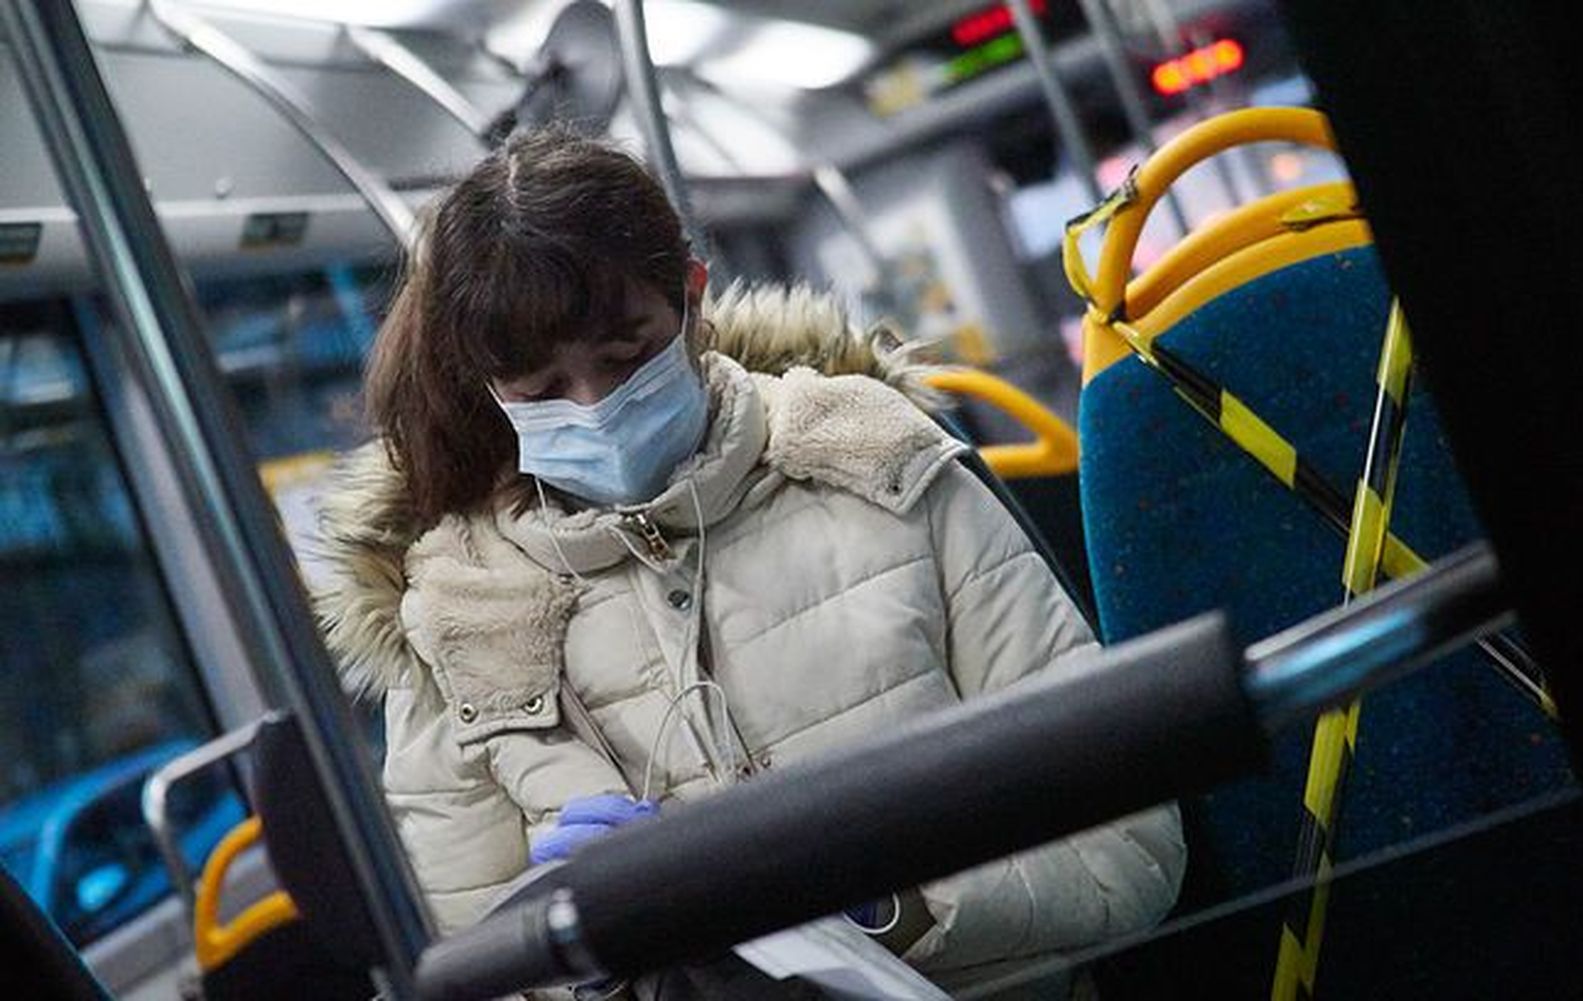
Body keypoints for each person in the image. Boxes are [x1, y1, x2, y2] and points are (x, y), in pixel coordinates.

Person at [314, 126, 1184, 990]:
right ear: (483, 383)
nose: (594, 407)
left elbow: (1129, 847)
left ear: (693, 297)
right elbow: (457, 978)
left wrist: (896, 904)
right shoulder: (457, 617)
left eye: (627, 358)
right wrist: (578, 959)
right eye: (540, 390)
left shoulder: (881, 472)